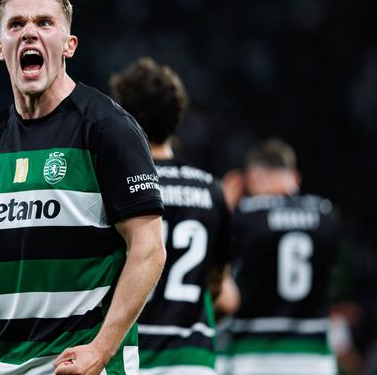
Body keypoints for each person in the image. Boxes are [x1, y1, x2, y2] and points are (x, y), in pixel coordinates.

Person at [0, 0, 166, 375]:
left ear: (69, 45)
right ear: (0, 48)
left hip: (79, 365)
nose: (29, 32)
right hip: (0, 364)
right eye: (16, 24)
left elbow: (149, 249)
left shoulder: (107, 127)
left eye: (44, 22)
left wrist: (100, 351)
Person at [109, 57, 233, 375]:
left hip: (128, 355)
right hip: (193, 359)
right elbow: (218, 287)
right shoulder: (211, 190)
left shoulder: (116, 186)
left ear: (123, 118)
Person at [227, 138, 340, 375]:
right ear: (295, 177)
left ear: (253, 177)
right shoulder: (327, 215)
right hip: (314, 357)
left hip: (253, 355)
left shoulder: (245, 216)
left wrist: (224, 207)